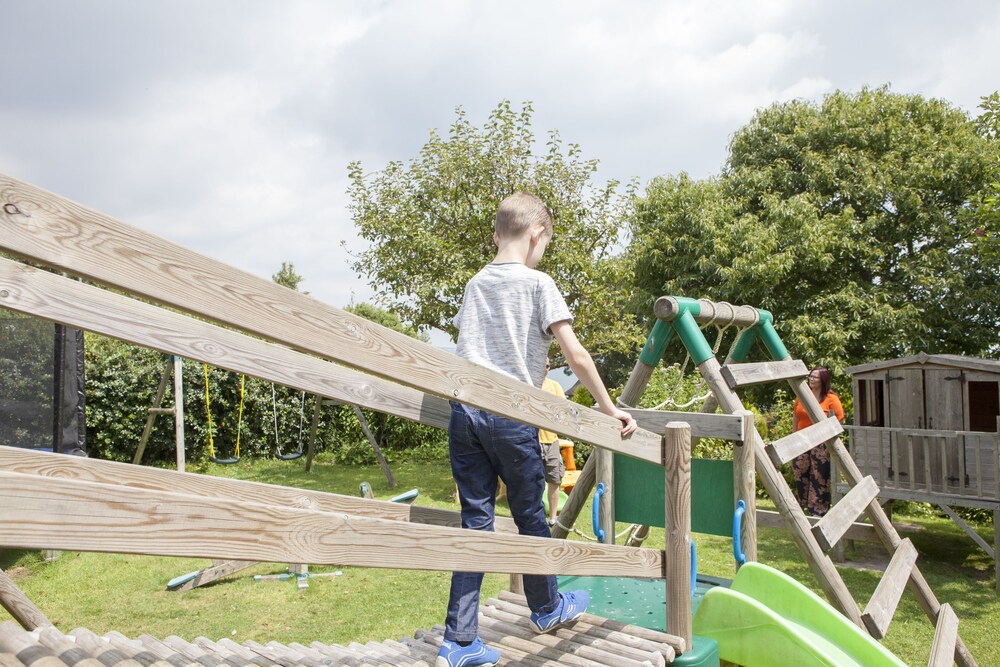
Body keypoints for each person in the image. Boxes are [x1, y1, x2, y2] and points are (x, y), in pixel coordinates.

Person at [437, 191, 637, 667]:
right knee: (532, 518)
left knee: (476, 523)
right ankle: (546, 608)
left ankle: (458, 641)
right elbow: (576, 355)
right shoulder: (538, 283)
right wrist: (611, 409)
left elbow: (474, 345)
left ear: (495, 234)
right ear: (536, 234)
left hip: (465, 413)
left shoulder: (475, 284)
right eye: (544, 242)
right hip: (510, 414)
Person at [792, 366, 845, 517]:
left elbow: (839, 420)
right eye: (810, 376)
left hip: (821, 442)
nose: (811, 379)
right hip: (802, 441)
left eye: (815, 377)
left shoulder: (831, 399)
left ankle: (818, 509)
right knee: (799, 471)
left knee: (819, 474)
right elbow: (796, 417)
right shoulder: (801, 396)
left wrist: (830, 440)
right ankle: (802, 506)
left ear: (823, 380)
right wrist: (794, 436)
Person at [538, 357, 567, 526]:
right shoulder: (529, 383)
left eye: (548, 365)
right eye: (543, 364)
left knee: (555, 481)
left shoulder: (555, 386)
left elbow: (562, 410)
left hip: (552, 441)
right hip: (532, 439)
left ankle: (553, 518)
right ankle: (534, 516)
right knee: (532, 481)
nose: (545, 368)